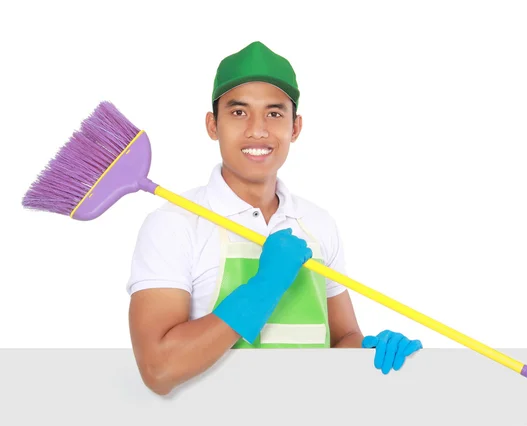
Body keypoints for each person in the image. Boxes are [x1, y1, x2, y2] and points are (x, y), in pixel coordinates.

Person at [126, 41, 422, 396]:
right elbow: (159, 369)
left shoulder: (317, 224)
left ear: (295, 127)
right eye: (238, 113)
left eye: (274, 113)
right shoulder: (174, 225)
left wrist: (368, 351)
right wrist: (264, 287)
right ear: (212, 125)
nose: (258, 130)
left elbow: (342, 339)